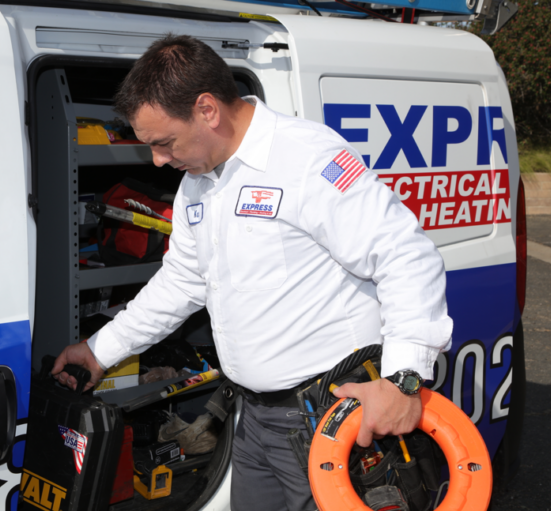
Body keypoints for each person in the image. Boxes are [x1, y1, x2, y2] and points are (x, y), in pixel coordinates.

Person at [53, 34, 452, 511]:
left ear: (206, 110)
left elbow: (405, 256)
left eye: (163, 143)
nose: (158, 160)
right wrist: (100, 351)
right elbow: (182, 282)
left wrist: (403, 380)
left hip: (329, 417)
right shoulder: (197, 186)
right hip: (255, 418)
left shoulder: (306, 159)